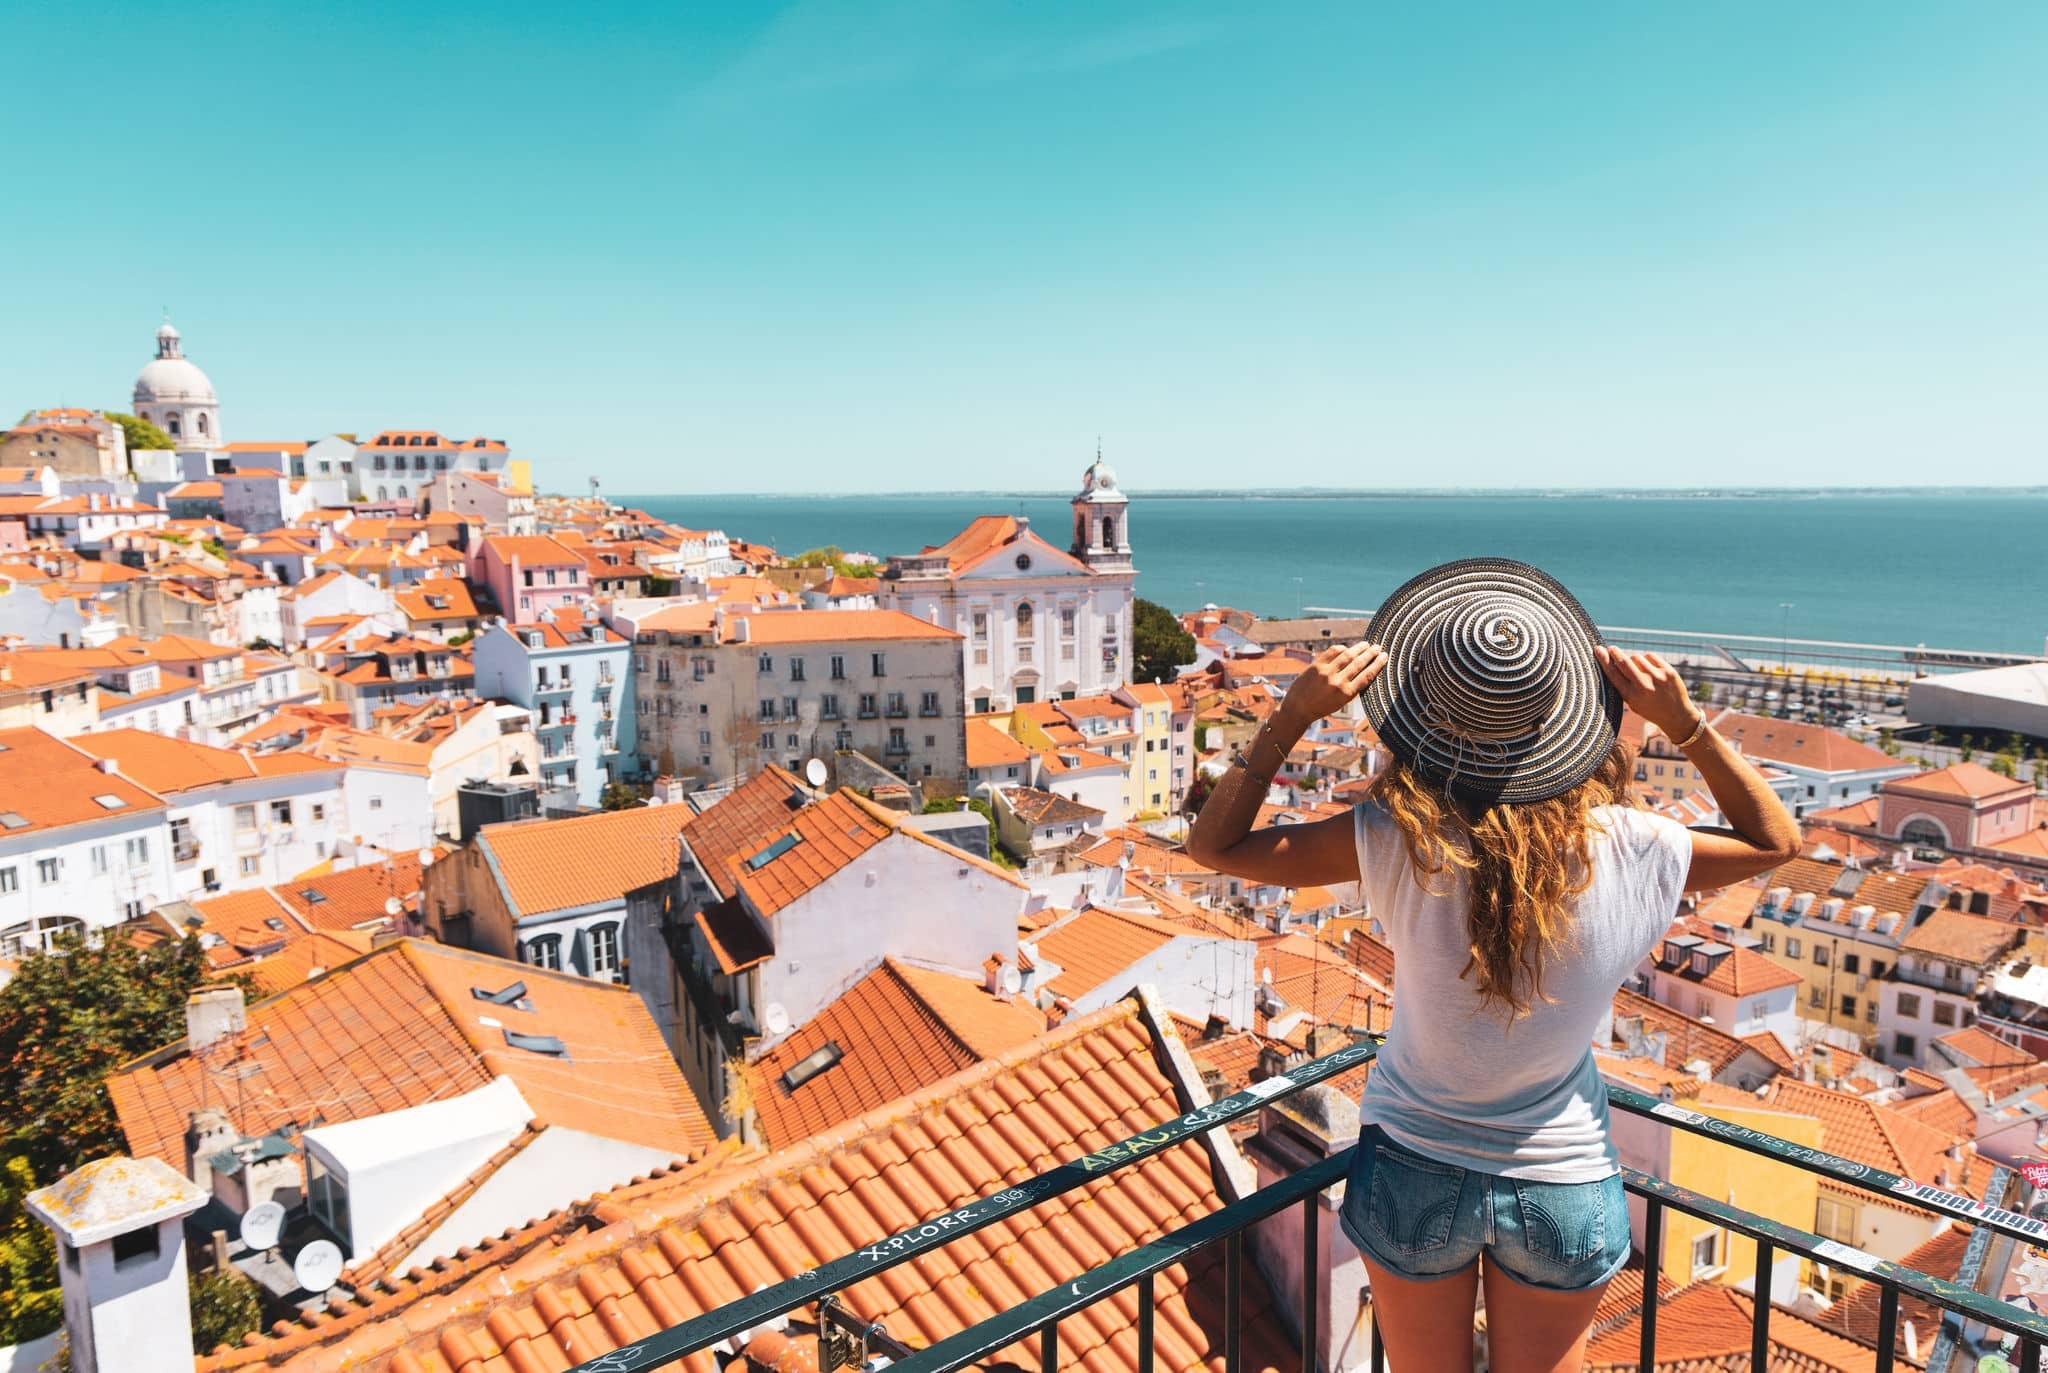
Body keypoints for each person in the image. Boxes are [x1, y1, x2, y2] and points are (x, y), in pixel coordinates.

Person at [1186, 558, 1800, 1373]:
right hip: (1561, 1171)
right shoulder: (1635, 846)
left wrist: (1293, 715)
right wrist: (1685, 723)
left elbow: (1213, 845)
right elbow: (1775, 840)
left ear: (1427, 717)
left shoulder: (1396, 836)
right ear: (1569, 721)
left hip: (1412, 1158)